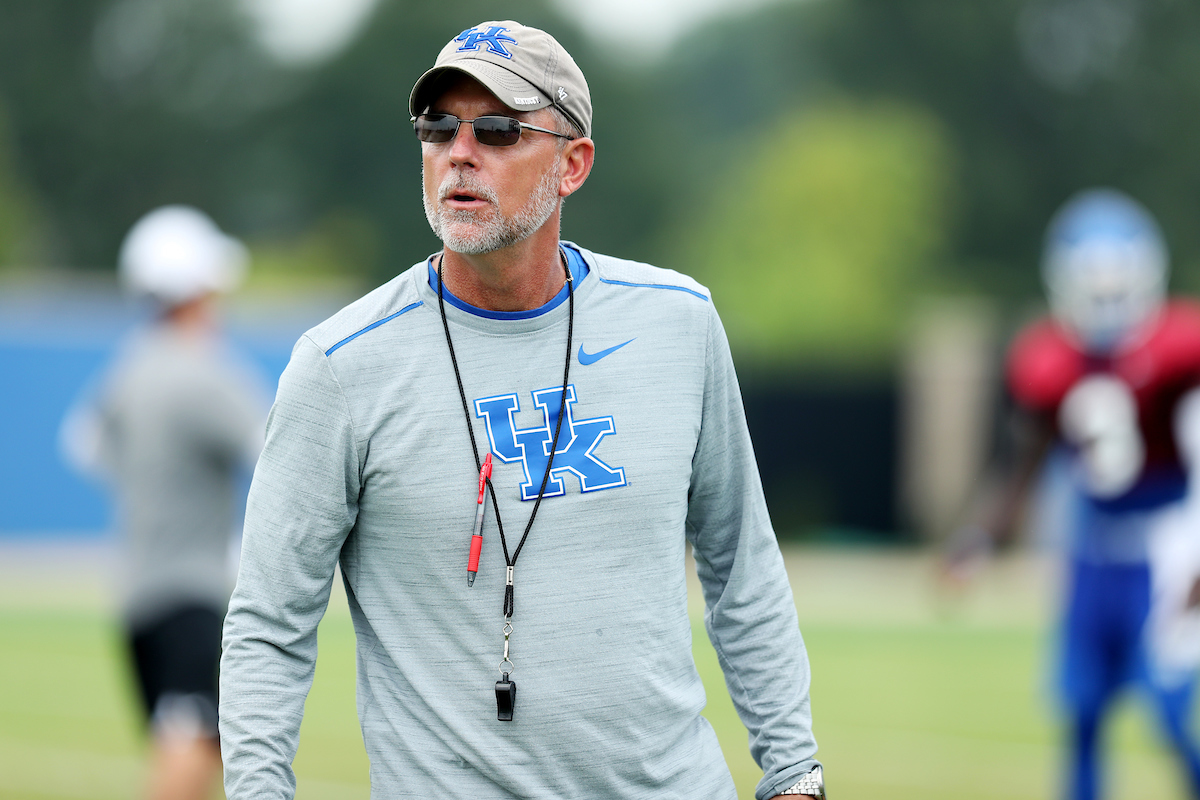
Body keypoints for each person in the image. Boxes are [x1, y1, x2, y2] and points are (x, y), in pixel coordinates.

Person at [218, 19, 824, 800]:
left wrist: (794, 774)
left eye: (498, 129)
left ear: (573, 164)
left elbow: (743, 565)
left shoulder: (679, 321)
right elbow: (269, 623)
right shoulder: (341, 365)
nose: (459, 153)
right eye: (439, 128)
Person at [947, 188, 1200, 800]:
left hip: (1169, 547)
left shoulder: (1180, 348)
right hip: (1091, 553)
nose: (1105, 298)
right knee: (1082, 714)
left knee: (1168, 710)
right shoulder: (1049, 359)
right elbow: (1026, 462)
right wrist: (980, 537)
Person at [60, 205, 269, 800]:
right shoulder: (202, 373)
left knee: (214, 743)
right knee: (195, 736)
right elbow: (274, 451)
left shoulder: (128, 370)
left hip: (139, 592)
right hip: (192, 591)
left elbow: (84, 447)